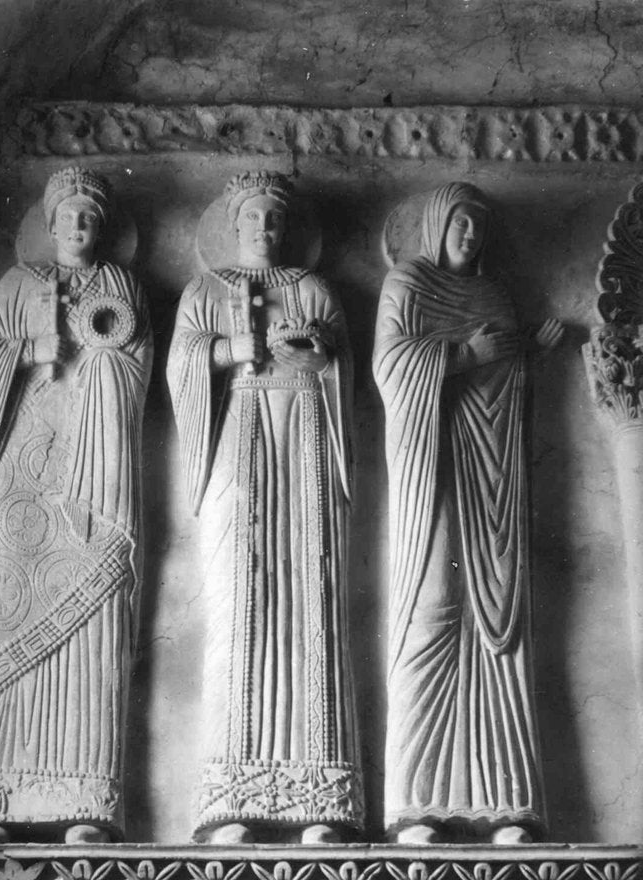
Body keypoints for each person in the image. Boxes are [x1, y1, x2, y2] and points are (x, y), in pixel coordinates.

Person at [167, 171, 363, 844]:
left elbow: (341, 366)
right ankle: (231, 804)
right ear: (234, 224)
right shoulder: (205, 289)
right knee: (237, 604)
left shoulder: (312, 289)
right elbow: (181, 366)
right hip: (239, 439)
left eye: (275, 220)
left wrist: (314, 354)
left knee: (310, 598)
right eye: (253, 219)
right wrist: (234, 350)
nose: (265, 230)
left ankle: (320, 805)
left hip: (303, 437)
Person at [0, 167, 152, 844]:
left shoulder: (120, 286)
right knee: (7, 610)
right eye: (70, 214)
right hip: (25, 472)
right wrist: (28, 350)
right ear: (49, 221)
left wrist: (100, 359)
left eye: (91, 219)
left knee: (94, 624)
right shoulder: (18, 286)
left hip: (94, 475)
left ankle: (84, 805)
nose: (79, 226)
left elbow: (136, 365)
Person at [373, 182, 563, 844]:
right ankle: (415, 802)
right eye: (460, 222)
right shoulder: (407, 284)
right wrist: (463, 355)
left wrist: (523, 354)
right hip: (432, 465)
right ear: (433, 225)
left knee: (499, 620)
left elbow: (504, 379)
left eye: (479, 227)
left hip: (491, 475)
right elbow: (391, 368)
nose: (471, 235)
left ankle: (506, 804)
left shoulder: (494, 296)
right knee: (433, 608)